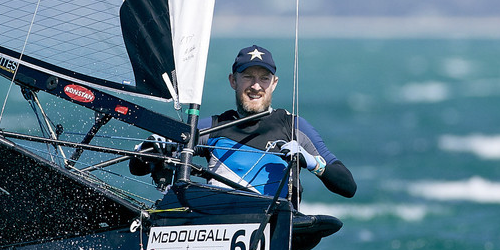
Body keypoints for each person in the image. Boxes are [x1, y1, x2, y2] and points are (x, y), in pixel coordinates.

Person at [131, 45, 355, 204]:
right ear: (233, 81)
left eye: (264, 78)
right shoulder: (213, 128)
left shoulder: (294, 127)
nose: (256, 86)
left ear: (274, 84)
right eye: (248, 76)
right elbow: (137, 167)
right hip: (218, 231)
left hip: (273, 232)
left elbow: (348, 187)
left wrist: (315, 164)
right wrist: (151, 148)